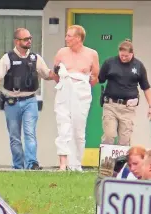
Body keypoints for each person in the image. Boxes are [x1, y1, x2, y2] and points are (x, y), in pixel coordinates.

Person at [0, 28, 58, 170]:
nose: (29, 41)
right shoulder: (8, 58)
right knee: (14, 137)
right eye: (26, 39)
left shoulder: (35, 58)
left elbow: (47, 74)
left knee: (30, 133)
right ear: (17, 41)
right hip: (11, 103)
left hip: (30, 101)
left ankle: (32, 164)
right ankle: (18, 166)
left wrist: (58, 72)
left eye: (30, 38)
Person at [53, 25, 100, 172]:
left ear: (78, 38)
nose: (66, 38)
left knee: (78, 129)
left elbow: (95, 77)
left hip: (81, 93)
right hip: (64, 91)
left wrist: (81, 86)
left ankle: (76, 164)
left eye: (69, 36)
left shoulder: (92, 54)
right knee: (63, 126)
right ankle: (63, 164)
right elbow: (55, 74)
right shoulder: (62, 52)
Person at [98, 39, 151, 146]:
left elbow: (146, 87)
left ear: (132, 54)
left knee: (124, 140)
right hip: (110, 105)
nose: (123, 58)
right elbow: (99, 78)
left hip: (128, 108)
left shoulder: (138, 66)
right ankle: (105, 162)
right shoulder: (110, 63)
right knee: (109, 135)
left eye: (126, 56)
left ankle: (120, 162)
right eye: (121, 55)